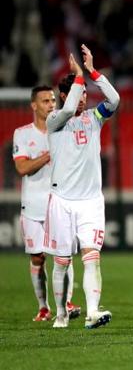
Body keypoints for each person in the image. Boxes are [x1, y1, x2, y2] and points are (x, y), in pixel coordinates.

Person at [45, 45, 120, 329]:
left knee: (92, 256)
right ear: (64, 96)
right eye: (80, 93)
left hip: (90, 201)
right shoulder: (55, 121)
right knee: (62, 262)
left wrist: (91, 72)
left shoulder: (94, 118)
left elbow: (114, 99)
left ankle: (92, 312)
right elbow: (65, 111)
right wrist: (77, 77)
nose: (84, 99)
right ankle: (61, 315)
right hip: (62, 200)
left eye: (87, 94)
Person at [13, 85, 81, 322]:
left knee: (63, 256)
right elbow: (22, 168)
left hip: (60, 203)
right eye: (45, 101)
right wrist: (49, 154)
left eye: (53, 100)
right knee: (38, 258)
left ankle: (68, 302)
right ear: (34, 105)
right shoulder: (22, 134)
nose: (51, 104)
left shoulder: (64, 130)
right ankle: (43, 307)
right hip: (32, 205)